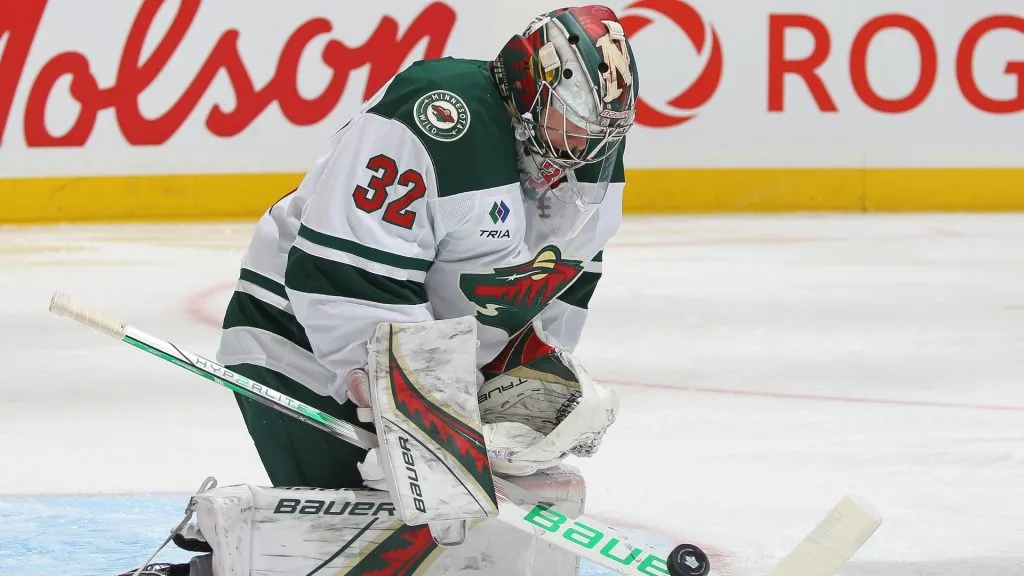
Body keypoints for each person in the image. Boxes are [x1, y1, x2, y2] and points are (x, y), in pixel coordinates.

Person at [121, 5, 639, 575]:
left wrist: (520, 382)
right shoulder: (438, 116)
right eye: (571, 119)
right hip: (302, 345)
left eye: (604, 130)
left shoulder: (591, 162)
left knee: (458, 525)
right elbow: (343, 278)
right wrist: (415, 417)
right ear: (529, 81)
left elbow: (565, 280)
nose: (586, 143)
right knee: (369, 542)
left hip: (433, 368)